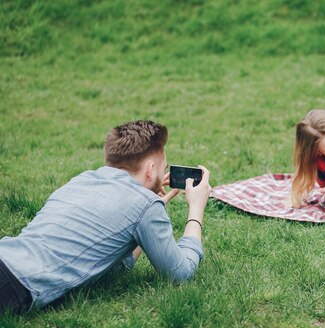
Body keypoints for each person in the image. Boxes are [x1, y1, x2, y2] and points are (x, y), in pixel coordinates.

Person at [0, 120, 212, 314]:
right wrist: (196, 208)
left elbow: (106, 266)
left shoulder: (82, 180)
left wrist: (145, 226)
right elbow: (180, 273)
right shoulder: (144, 205)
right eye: (163, 167)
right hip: (14, 284)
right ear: (151, 170)